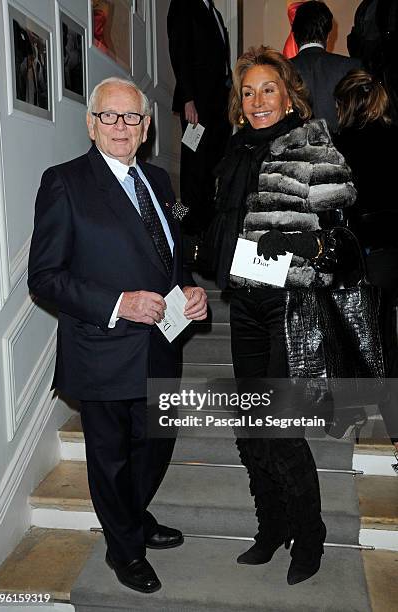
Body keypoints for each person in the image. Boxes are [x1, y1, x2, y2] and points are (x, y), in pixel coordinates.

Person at [27, 77, 207, 594]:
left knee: (156, 446)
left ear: (147, 127)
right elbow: (45, 276)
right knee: (111, 460)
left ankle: (132, 517)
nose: (122, 127)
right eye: (111, 116)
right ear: (91, 123)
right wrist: (118, 303)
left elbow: (168, 259)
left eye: (133, 118)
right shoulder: (64, 182)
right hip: (102, 351)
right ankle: (123, 550)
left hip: (161, 343)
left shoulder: (158, 181)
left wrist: (188, 291)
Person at [210, 45, 358, 585]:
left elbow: (343, 244)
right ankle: (271, 527)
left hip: (290, 306)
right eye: (247, 92)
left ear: (289, 93)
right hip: (245, 304)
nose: (257, 100)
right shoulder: (235, 151)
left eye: (267, 89)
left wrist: (299, 240)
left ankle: (309, 535)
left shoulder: (314, 145)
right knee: (250, 426)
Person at [334, 69, 398, 452]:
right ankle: (393, 429)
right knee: (387, 340)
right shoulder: (395, 137)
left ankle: (355, 416)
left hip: (364, 253)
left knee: (358, 337)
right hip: (393, 252)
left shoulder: (342, 144)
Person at [167, 0, 232, 242]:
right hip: (197, 105)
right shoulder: (184, 4)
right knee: (193, 167)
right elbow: (179, 50)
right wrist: (188, 98)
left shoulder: (213, 11)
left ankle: (206, 228)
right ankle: (184, 228)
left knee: (211, 168)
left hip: (219, 106)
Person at [290, 0, 361, 133]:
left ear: (294, 35)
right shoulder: (352, 67)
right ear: (328, 35)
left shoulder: (279, 71)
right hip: (344, 151)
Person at [347, 0, 398, 125]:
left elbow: (356, 47)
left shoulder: (365, 7)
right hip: (380, 77)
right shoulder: (366, 7)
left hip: (377, 77)